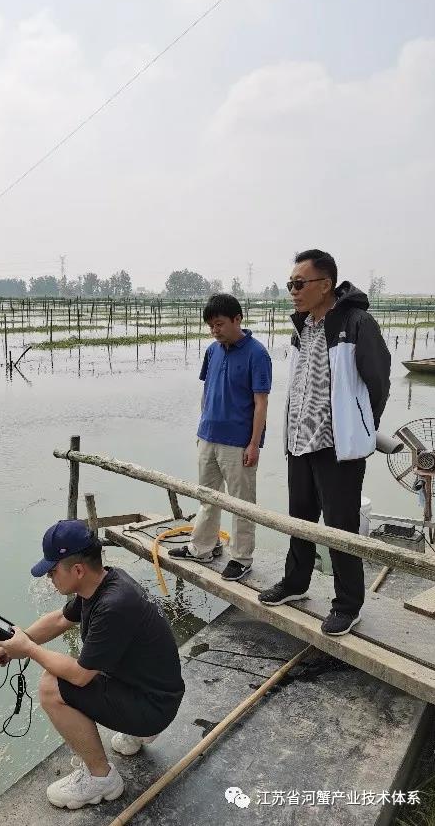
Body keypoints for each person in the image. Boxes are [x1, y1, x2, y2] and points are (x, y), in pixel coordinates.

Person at [0, 520, 185, 810]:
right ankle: (137, 729)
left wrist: (27, 649)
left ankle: (101, 779)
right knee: (91, 660)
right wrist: (16, 642)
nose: (49, 579)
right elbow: (60, 620)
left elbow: (78, 676)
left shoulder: (113, 605)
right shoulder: (104, 583)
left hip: (155, 708)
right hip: (158, 692)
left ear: (77, 570)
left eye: (52, 571)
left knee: (52, 686)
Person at [258, 250, 391, 636]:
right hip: (300, 442)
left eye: (299, 284)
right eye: (290, 285)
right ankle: (296, 583)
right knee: (300, 519)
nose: (293, 292)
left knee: (340, 527)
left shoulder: (356, 322)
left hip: (338, 448)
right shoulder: (304, 326)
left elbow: (377, 383)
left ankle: (348, 605)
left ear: (325, 285)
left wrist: (360, 428)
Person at [168, 293, 272, 580]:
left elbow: (261, 403)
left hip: (238, 443)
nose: (215, 330)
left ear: (237, 319)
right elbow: (207, 391)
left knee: (241, 503)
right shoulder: (212, 351)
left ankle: (241, 557)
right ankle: (204, 546)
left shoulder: (257, 354)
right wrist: (202, 429)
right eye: (211, 326)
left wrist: (254, 443)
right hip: (208, 437)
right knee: (207, 497)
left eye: (219, 324)